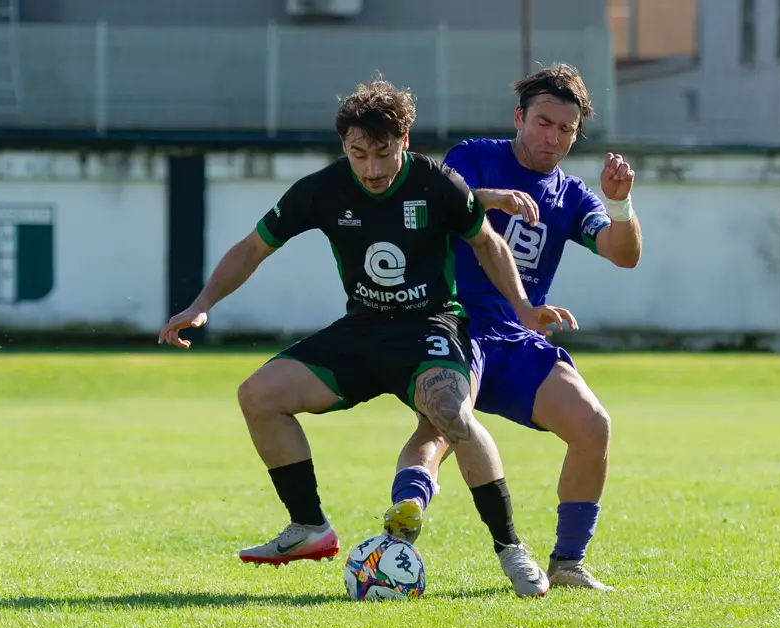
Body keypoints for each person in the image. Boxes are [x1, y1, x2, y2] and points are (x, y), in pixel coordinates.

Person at [158, 77, 576, 598]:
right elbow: (252, 248)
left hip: (430, 326)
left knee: (453, 415)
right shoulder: (323, 189)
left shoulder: (438, 183)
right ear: (344, 147)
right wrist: (201, 305)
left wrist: (524, 308)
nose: (372, 169)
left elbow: (488, 244)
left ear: (405, 141)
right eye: (358, 154)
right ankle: (309, 526)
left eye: (382, 154)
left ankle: (511, 548)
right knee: (258, 395)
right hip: (362, 330)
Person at [383, 63, 643, 592]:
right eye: (544, 123)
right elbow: (433, 201)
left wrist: (620, 204)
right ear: (520, 118)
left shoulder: (571, 195)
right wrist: (493, 198)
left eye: (566, 130)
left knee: (593, 426)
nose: (553, 138)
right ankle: (404, 519)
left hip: (516, 334)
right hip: (453, 323)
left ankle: (567, 564)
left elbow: (624, 254)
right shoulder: (475, 157)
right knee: (441, 426)